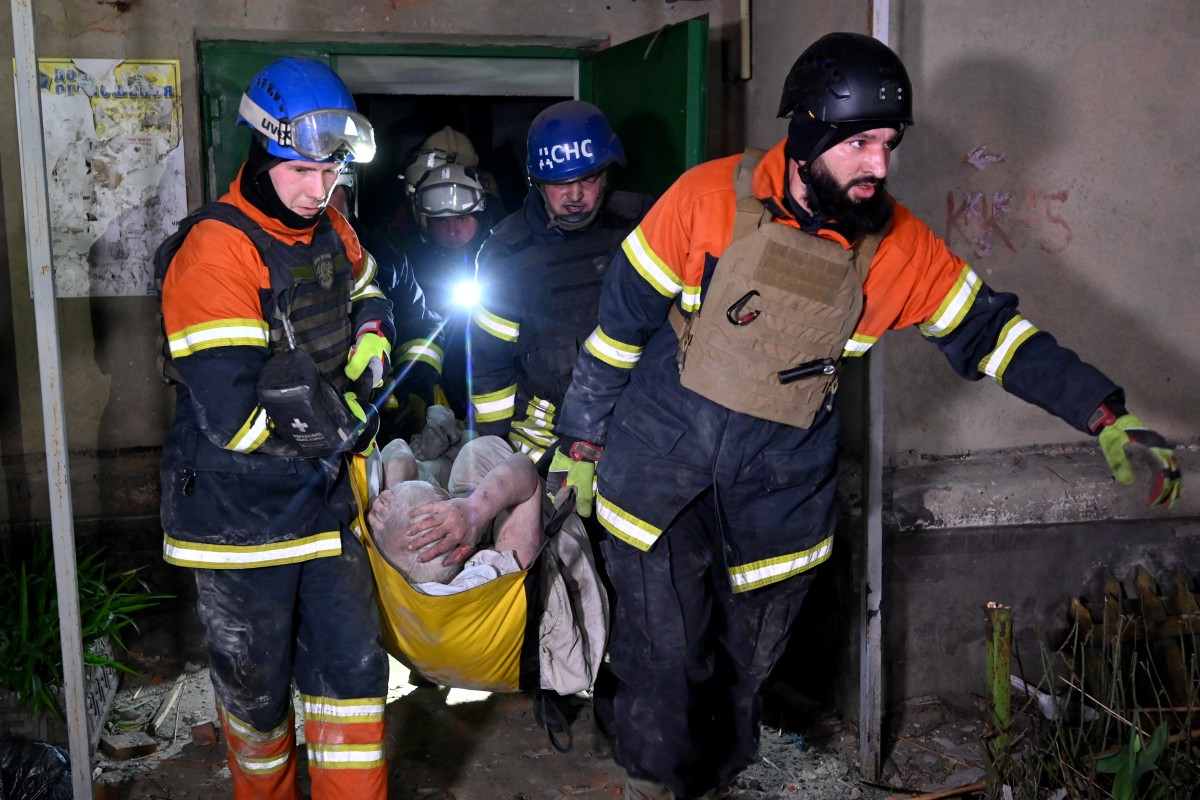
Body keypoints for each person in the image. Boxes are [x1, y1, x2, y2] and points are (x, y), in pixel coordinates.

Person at [552, 32, 1183, 799]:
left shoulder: (900, 249)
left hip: (778, 496)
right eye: (859, 144)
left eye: (888, 144)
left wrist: (1102, 413)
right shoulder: (705, 200)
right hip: (660, 472)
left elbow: (992, 334)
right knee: (668, 669)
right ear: (811, 132)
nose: (880, 165)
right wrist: (581, 440)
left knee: (737, 687)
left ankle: (707, 773)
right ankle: (653, 770)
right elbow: (618, 330)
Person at [158, 56, 398, 799]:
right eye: (302, 172)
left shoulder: (328, 222)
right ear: (261, 152)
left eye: (330, 175)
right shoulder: (215, 252)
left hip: (322, 509)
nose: (318, 190)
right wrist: (340, 432)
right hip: (241, 522)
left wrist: (374, 327)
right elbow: (235, 419)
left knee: (354, 683)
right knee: (260, 709)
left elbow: (366, 283)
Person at [470, 100, 653, 478]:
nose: (575, 195)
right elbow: (490, 366)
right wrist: (495, 450)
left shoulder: (644, 226)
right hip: (543, 442)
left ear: (606, 174)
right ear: (537, 182)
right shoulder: (506, 253)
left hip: (638, 430)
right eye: (560, 183)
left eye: (587, 179)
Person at [362, 435, 607, 701]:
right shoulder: (496, 574)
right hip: (535, 650)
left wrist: (390, 492)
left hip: (435, 657)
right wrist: (473, 510)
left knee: (469, 466)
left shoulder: (380, 563)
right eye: (445, 500)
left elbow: (396, 447)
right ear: (462, 549)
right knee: (483, 454)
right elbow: (525, 472)